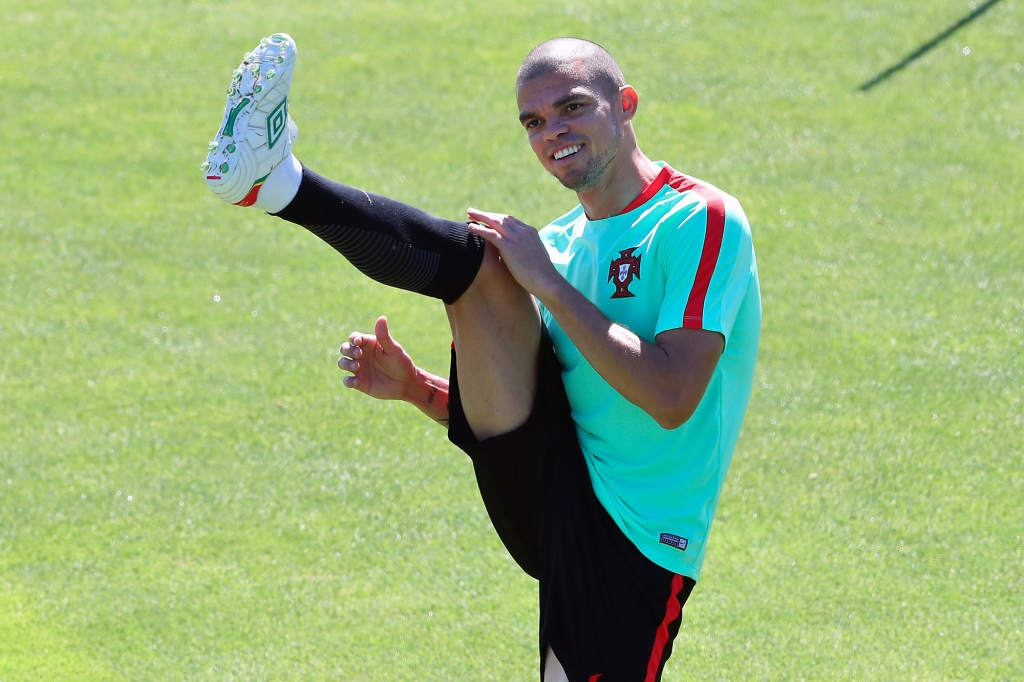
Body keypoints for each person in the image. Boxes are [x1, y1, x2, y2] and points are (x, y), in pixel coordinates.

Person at [202, 33, 760, 682]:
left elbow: (672, 397)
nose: (553, 130)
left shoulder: (698, 219)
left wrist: (548, 284)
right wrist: (421, 392)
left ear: (626, 104)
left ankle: (275, 181)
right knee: (480, 268)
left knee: (495, 265)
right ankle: (276, 183)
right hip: (548, 489)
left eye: (572, 107)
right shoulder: (551, 245)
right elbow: (530, 407)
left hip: (635, 536)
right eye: (534, 121)